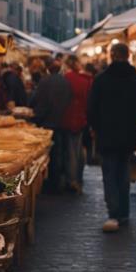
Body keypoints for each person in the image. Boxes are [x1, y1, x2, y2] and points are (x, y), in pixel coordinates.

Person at [87, 43, 136, 233]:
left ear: (112, 56)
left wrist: (97, 128)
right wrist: (135, 126)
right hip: (128, 136)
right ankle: (123, 213)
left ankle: (113, 213)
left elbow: (91, 108)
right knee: (123, 173)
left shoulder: (101, 80)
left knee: (109, 174)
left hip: (107, 135)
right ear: (128, 55)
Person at [32, 59, 72, 194]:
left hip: (47, 122)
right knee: (60, 151)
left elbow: (38, 100)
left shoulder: (45, 81)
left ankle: (50, 182)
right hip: (62, 121)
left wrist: (37, 115)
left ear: (48, 69)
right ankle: (57, 180)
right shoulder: (65, 81)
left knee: (49, 153)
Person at [60, 56, 92, 193]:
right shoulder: (85, 80)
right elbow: (88, 101)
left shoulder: (65, 79)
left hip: (67, 119)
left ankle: (72, 180)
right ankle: (77, 178)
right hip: (81, 119)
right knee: (78, 150)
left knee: (71, 151)